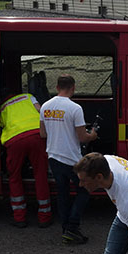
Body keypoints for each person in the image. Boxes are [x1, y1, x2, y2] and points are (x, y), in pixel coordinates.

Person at [40, 75, 98, 245]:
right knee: (85, 190)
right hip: (72, 159)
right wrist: (92, 135)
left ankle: (66, 229)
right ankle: (72, 226)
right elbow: (82, 137)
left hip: (53, 156)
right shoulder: (75, 108)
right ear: (73, 87)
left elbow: (42, 133)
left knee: (62, 193)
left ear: (57, 87)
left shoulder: (45, 106)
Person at [0, 91, 52, 228]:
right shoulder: (28, 97)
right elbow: (41, 110)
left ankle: (19, 217)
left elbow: (3, 125)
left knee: (14, 177)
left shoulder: (3, 107)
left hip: (14, 140)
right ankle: (44, 217)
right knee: (40, 175)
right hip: (36, 135)